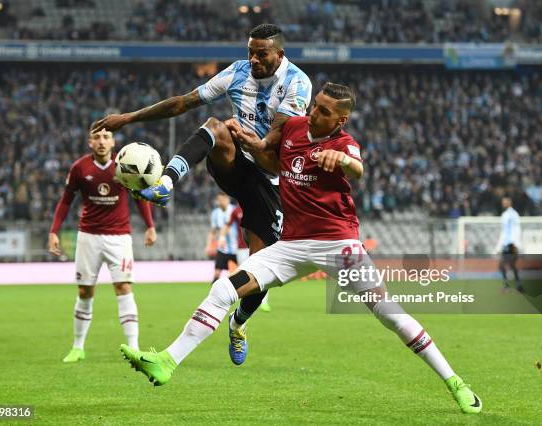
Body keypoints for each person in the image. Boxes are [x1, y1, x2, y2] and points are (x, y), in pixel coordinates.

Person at [119, 83, 482, 414]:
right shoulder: (292, 128)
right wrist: (246, 138)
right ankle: (168, 361)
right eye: (315, 106)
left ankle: (456, 382)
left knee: (390, 315)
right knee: (224, 288)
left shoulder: (343, 144)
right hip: (291, 245)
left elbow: (357, 168)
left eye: (325, 111)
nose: (314, 113)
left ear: (341, 120)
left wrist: (340, 161)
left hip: (339, 245)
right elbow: (268, 154)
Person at [92, 23, 312, 365]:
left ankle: (238, 324)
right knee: (214, 126)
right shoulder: (238, 73)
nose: (253, 59)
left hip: (271, 179)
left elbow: (274, 150)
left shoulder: (297, 84)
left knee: (259, 272)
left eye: (261, 54)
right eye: (250, 52)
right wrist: (129, 118)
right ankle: (165, 183)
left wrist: (248, 137)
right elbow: (182, 103)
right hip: (236, 164)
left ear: (279, 55)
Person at [48, 129, 157, 363]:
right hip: (88, 236)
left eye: (106, 137)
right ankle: (78, 347)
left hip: (119, 237)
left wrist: (150, 225)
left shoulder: (125, 164)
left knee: (124, 288)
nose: (101, 141)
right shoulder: (80, 168)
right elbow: (66, 200)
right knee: (85, 291)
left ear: (113, 142)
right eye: (96, 137)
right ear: (90, 142)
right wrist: (54, 231)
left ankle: (134, 348)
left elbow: (138, 195)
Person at [208, 192, 238, 283]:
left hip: (237, 248)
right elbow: (213, 230)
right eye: (219, 200)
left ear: (228, 199)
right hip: (222, 248)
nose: (221, 202)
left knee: (237, 273)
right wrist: (209, 244)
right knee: (217, 273)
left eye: (223, 199)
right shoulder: (215, 213)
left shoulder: (234, 210)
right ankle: (213, 293)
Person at [495, 197, 523, 292]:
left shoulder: (513, 214)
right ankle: (518, 286)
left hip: (511, 244)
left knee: (504, 265)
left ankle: (509, 286)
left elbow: (517, 229)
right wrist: (499, 246)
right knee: (510, 265)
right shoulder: (505, 215)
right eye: (503, 202)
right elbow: (504, 232)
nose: (503, 204)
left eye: (505, 202)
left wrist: (516, 244)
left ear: (509, 203)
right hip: (507, 244)